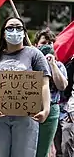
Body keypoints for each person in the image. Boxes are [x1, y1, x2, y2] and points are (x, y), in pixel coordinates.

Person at [0, 17, 51, 157]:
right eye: (10, 27)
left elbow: (44, 84)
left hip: (27, 115)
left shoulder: (35, 55)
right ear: (3, 33)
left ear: (24, 32)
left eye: (19, 28)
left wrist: (46, 109)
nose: (15, 31)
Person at [34, 28, 68, 157]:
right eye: (43, 43)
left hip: (51, 112)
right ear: (36, 45)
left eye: (49, 43)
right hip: (31, 109)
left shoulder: (59, 66)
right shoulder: (30, 64)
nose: (46, 46)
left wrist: (52, 65)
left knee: (43, 149)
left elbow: (62, 86)